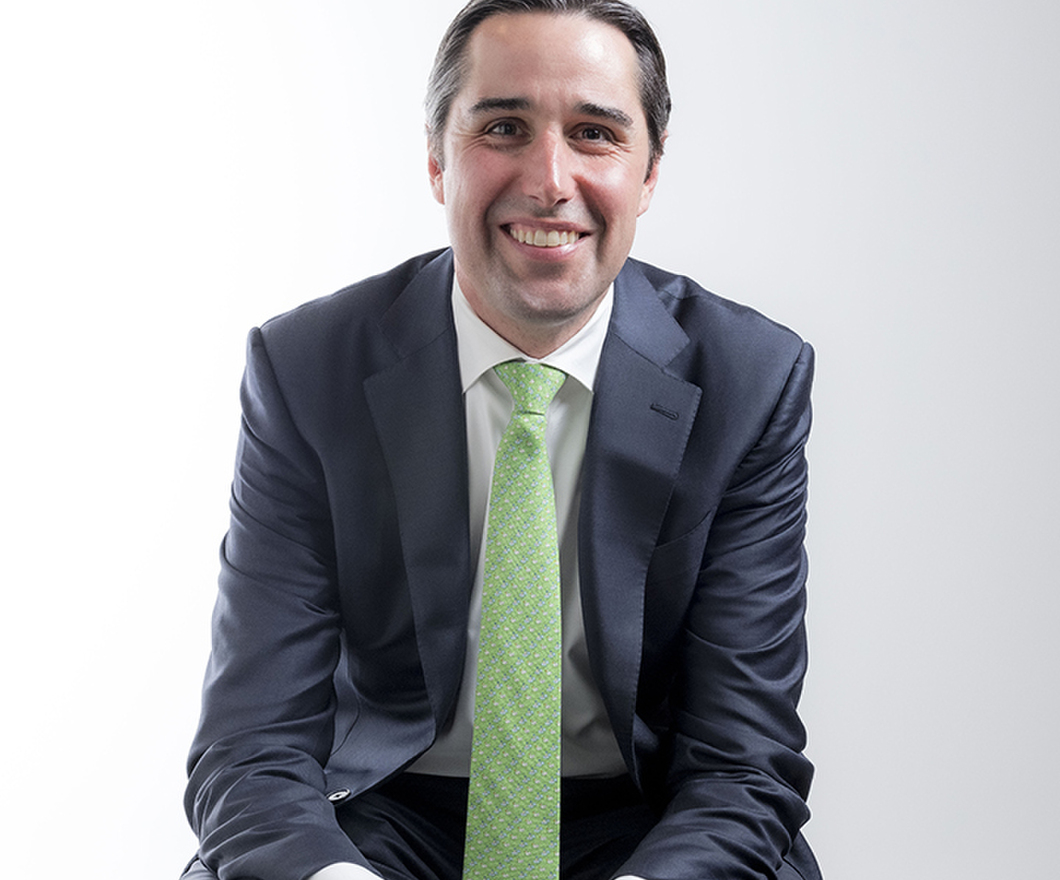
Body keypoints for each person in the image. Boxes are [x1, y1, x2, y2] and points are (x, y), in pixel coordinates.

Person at [182, 1, 822, 878]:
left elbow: (743, 763)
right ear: (439, 161)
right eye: (505, 127)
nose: (549, 178)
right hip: (385, 813)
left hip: (651, 822)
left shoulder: (750, 380)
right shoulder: (307, 369)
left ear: (648, 174)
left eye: (595, 132)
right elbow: (251, 744)